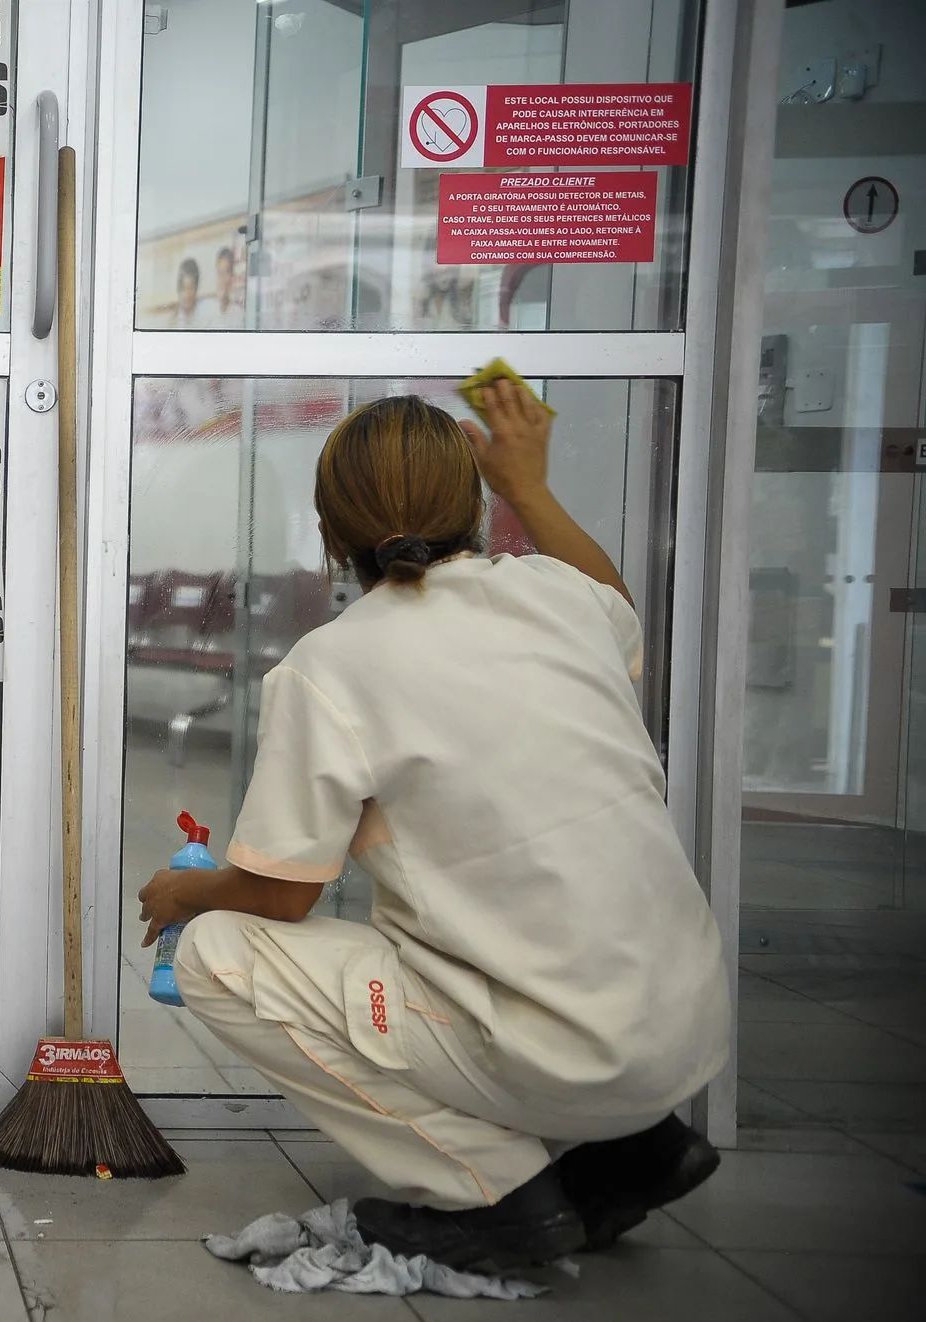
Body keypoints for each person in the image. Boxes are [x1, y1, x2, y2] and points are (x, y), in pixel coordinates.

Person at [137, 381, 730, 1274]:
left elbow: (280, 892)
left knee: (215, 950)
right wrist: (529, 486)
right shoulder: (558, 602)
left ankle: (495, 1199)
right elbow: (616, 602)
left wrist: (186, 890)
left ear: (332, 538)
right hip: (683, 1028)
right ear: (477, 510)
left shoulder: (334, 663)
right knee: (513, 926)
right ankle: (638, 1147)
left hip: (565, 1045)